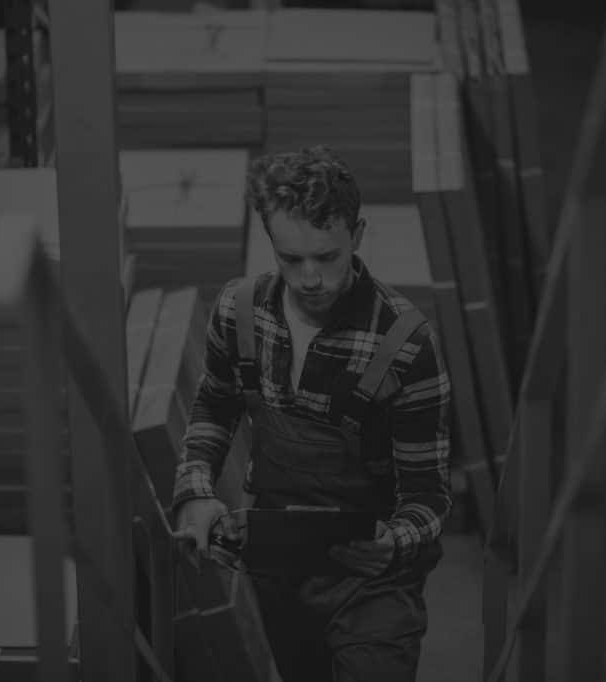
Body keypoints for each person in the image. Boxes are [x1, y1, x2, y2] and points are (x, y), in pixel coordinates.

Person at [171, 146, 452, 681]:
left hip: (372, 581)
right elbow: (214, 405)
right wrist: (197, 492)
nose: (309, 278)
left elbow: (428, 495)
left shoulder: (406, 343)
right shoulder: (239, 311)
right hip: (275, 560)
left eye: (327, 257)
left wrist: (395, 543)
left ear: (358, 235)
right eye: (290, 258)